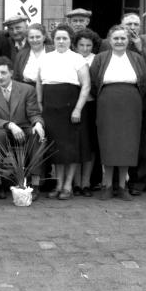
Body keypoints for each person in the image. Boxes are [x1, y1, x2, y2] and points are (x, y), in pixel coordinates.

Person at [90, 25, 146, 201]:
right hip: (107, 103)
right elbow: (94, 81)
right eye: (116, 38)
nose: (119, 41)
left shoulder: (137, 58)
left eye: (123, 38)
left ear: (128, 40)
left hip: (131, 103)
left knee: (127, 145)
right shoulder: (100, 58)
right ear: (109, 40)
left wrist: (133, 97)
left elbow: (144, 81)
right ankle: (107, 186)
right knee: (108, 144)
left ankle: (122, 187)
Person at [36, 24, 91, 200]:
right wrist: (39, 103)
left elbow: (86, 85)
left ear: (70, 40)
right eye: (58, 38)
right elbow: (39, 82)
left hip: (70, 107)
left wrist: (78, 109)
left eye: (65, 38)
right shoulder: (45, 58)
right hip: (51, 107)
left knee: (71, 148)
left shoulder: (77, 59)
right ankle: (58, 184)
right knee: (57, 149)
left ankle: (68, 186)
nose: (61, 41)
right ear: (53, 39)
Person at [0, 56, 45, 201]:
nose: (0, 77)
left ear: (11, 72)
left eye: (3, 73)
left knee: (36, 135)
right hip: (3, 128)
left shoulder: (27, 89)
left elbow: (34, 113)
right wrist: (10, 125)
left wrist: (38, 123)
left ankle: (35, 184)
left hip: (24, 127)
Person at [122, 11, 146, 195]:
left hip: (142, 102)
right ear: (122, 26)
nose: (132, 28)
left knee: (143, 144)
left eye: (136, 24)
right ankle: (118, 181)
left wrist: (140, 49)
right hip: (120, 102)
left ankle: (139, 182)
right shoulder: (112, 42)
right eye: (128, 24)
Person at [73, 28, 102, 196]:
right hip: (74, 105)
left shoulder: (97, 60)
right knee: (76, 143)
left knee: (90, 144)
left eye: (88, 45)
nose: (85, 48)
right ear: (76, 45)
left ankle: (86, 182)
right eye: (81, 45)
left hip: (92, 106)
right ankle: (76, 183)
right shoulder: (71, 58)